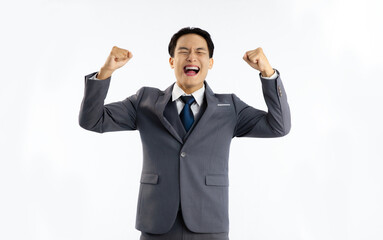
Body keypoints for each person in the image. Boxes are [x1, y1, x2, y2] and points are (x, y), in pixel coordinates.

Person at [79, 27, 291, 240]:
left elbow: (279, 126)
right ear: (172, 61)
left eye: (200, 52)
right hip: (157, 223)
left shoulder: (230, 108)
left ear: (210, 63)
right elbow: (93, 120)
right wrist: (105, 72)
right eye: (183, 51)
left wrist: (268, 73)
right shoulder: (145, 101)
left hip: (209, 224)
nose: (192, 57)